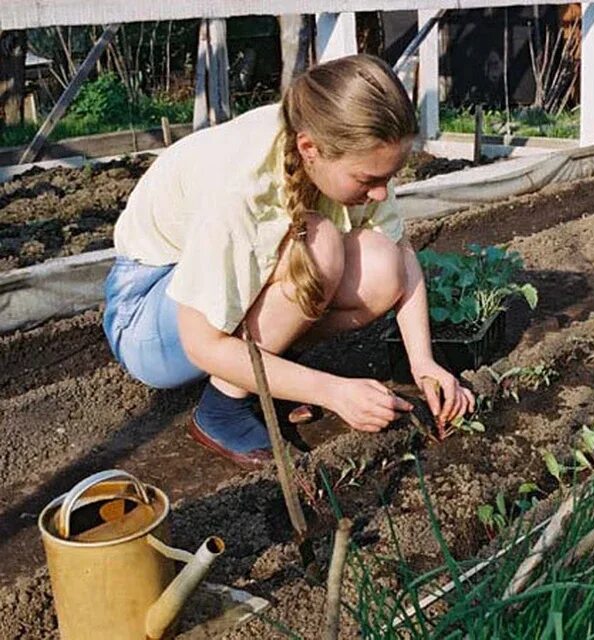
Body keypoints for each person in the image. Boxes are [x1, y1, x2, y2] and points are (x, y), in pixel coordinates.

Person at [103, 54, 475, 468]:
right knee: (319, 247)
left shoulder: (331, 140)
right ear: (309, 149)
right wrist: (332, 390)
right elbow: (201, 343)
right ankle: (220, 409)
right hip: (145, 319)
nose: (381, 195)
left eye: (388, 178)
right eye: (368, 180)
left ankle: (270, 375)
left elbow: (402, 255)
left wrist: (423, 363)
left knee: (382, 268)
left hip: (193, 303)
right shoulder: (242, 189)